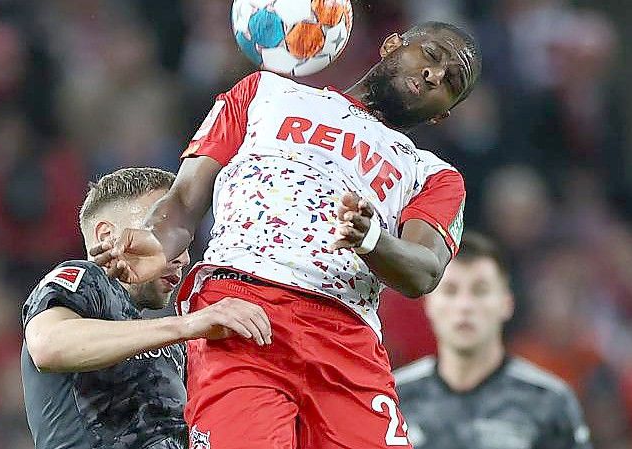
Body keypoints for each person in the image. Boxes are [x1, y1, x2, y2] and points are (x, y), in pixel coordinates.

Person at [92, 21, 482, 448]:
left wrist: (371, 239)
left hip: (346, 339)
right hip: (241, 314)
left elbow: (424, 272)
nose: (435, 75)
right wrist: (154, 240)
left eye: (452, 80)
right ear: (392, 45)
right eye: (431, 55)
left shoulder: (434, 176)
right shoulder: (264, 92)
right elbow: (185, 199)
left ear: (445, 112)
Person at [21, 167, 272, 449]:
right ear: (106, 235)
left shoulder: (167, 337)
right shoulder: (85, 281)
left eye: (182, 240)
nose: (183, 257)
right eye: (160, 230)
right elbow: (48, 344)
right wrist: (186, 326)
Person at [393, 232, 592, 449]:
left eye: (480, 291)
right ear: (428, 304)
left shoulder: (549, 401)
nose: (465, 306)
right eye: (451, 291)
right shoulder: (394, 397)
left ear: (506, 303)